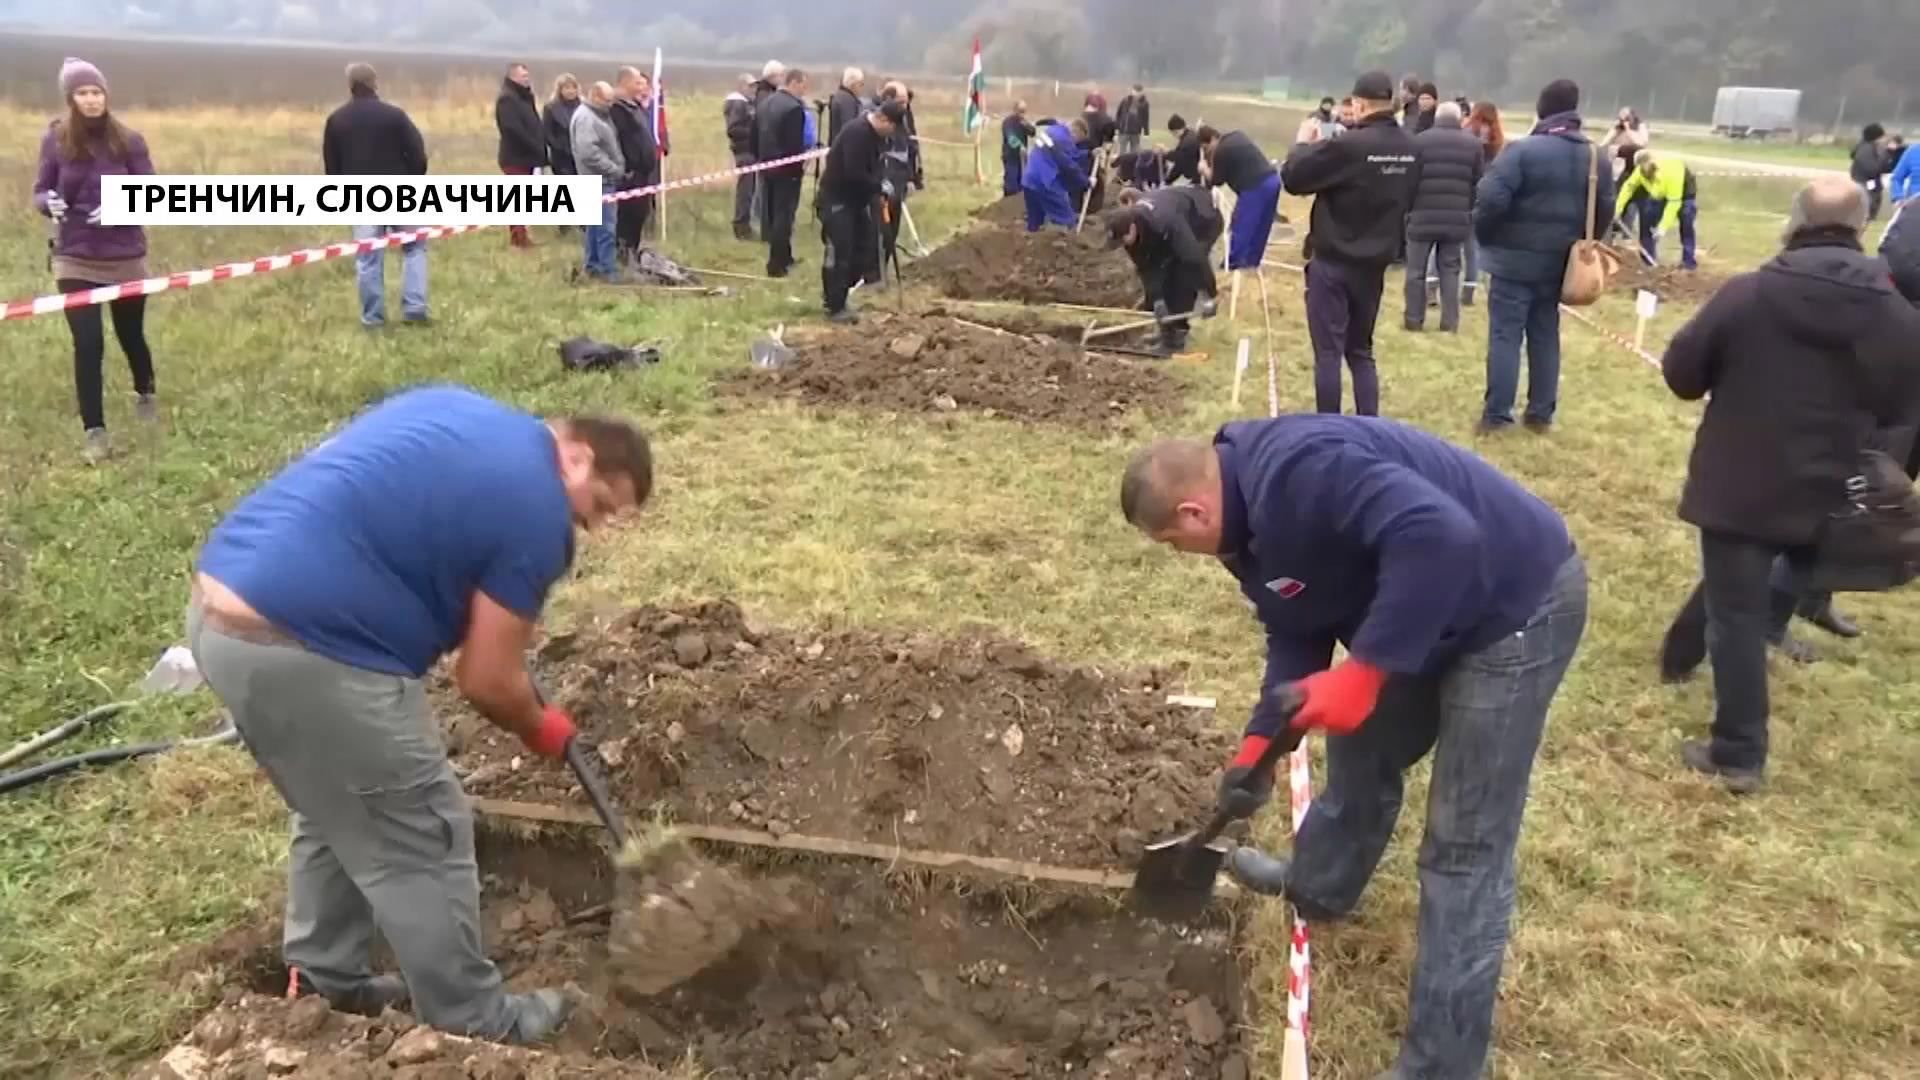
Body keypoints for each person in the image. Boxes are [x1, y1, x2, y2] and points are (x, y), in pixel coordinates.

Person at [1117, 416, 1587, 1080]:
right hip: (1424, 606)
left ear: (1193, 512)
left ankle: (1443, 1068)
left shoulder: (1302, 473)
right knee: (1360, 744)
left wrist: (1365, 673)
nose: (1177, 554)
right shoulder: (1243, 533)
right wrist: (1260, 745)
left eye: (1171, 543)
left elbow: (1443, 537)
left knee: (1463, 847)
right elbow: (1294, 625)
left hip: (1512, 607)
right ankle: (1321, 885)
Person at [185, 383, 651, 1044]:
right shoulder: (540, 510)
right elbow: (486, 680)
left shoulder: (462, 411)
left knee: (336, 803)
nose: (590, 525)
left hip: (220, 618)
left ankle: (324, 980)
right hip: (309, 649)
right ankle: (475, 1019)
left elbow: (411, 527)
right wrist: (539, 724)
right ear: (576, 457)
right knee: (424, 828)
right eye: (599, 506)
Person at [1653, 178, 1920, 792]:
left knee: (1737, 610)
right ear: (1861, 227)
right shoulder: (1896, 313)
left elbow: (1682, 373)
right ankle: (1680, 658)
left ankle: (1739, 752)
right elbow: (1905, 399)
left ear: (1796, 220)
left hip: (1742, 479)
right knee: (1748, 586)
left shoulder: (1748, 294)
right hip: (1836, 487)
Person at [32, 57, 158, 465]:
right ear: (70, 98)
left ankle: (145, 391)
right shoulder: (55, 140)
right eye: (82, 93)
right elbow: (41, 189)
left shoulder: (129, 141)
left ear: (106, 95)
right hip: (74, 257)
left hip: (123, 256)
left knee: (130, 335)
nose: (90, 99)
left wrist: (124, 207)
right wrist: (45, 203)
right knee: (88, 344)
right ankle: (95, 431)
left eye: (96, 92)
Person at [1474, 78, 1613, 434]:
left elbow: (1490, 199)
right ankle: (1540, 413)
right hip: (1560, 264)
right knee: (1545, 334)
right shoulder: (1597, 157)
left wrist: (1487, 237)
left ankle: (1498, 415)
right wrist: (1584, 246)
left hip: (1513, 262)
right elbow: (1605, 210)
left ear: (1542, 108)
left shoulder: (1522, 151)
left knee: (1506, 336)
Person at [1281, 71, 1418, 416]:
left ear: (1358, 103)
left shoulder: (1349, 146)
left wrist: (1302, 143)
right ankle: (1369, 425)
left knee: (1328, 353)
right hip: (1374, 264)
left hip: (1333, 261)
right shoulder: (1410, 148)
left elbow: (1294, 179)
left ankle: (1330, 425)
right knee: (1361, 351)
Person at [322, 62, 429, 329]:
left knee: (368, 258)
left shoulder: (337, 120)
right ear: (375, 83)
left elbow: (331, 166)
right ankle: (414, 308)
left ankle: (373, 318)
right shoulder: (395, 116)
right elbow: (417, 154)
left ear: (350, 85)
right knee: (414, 248)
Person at [1104, 186, 1221, 355]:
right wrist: (1157, 299)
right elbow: (1146, 267)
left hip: (1203, 220)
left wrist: (1209, 295)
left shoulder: (1164, 221)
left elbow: (1194, 258)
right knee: (1162, 276)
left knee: (1180, 275)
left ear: (1132, 229)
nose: (1123, 245)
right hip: (1176, 220)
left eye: (1123, 240)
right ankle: (1167, 331)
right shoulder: (1130, 232)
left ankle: (1177, 339)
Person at [1403, 101, 1485, 334]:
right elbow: (1477, 182)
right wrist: (1467, 209)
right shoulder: (1473, 145)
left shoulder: (1419, 142)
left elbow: (1410, 180)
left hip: (1421, 215)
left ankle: (1414, 319)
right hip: (1456, 217)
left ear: (1437, 118)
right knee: (1450, 269)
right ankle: (1450, 322)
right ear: (1459, 119)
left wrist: (1409, 209)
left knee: (1416, 271)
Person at [817, 100, 901, 323]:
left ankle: (841, 294)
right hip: (837, 200)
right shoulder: (857, 133)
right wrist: (877, 186)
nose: (892, 133)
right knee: (840, 253)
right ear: (883, 119)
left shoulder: (875, 137)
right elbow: (854, 172)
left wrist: (881, 182)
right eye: (892, 127)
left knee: (862, 250)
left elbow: (871, 168)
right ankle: (834, 306)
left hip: (856, 201)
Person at [1198, 125, 1281, 274]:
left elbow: (1217, 180)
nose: (1208, 152)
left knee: (1243, 226)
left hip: (1255, 187)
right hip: (1273, 180)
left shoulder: (1221, 150)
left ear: (1211, 140)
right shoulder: (1237, 135)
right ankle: (1252, 262)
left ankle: (1234, 265)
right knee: (1261, 226)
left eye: (1206, 148)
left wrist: (1204, 169)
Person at [756, 67, 810, 278]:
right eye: (804, 85)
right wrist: (799, 167)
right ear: (794, 83)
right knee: (783, 216)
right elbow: (793, 145)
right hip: (787, 170)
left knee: (771, 213)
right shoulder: (793, 108)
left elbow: (755, 134)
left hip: (766, 165)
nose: (805, 91)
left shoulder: (765, 103)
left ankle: (785, 256)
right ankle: (776, 264)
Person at [568, 80, 625, 283]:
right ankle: (608, 270)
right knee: (606, 228)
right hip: (598, 180)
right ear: (595, 97)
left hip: (600, 180)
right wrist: (614, 169)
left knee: (595, 226)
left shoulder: (597, 115)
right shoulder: (586, 118)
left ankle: (592, 265)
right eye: (607, 100)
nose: (610, 105)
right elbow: (588, 152)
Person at [1616, 149, 1698, 269]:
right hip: (1658, 194)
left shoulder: (1671, 172)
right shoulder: (1640, 170)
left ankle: (1688, 263)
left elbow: (1674, 202)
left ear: (1653, 165)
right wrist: (1617, 209)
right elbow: (1629, 187)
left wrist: (1662, 228)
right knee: (1647, 220)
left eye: (1646, 170)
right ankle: (1648, 261)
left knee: (1686, 221)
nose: (1643, 172)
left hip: (1684, 195)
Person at [609, 67, 658, 266]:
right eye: (637, 83)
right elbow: (619, 141)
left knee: (640, 215)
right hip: (629, 174)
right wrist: (626, 168)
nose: (642, 87)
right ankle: (622, 256)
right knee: (627, 218)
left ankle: (632, 254)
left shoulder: (634, 106)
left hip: (643, 173)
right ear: (625, 83)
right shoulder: (616, 108)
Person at [493, 62, 545, 250]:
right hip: (515, 158)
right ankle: (518, 240)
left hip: (529, 158)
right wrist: (533, 146)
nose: (527, 78)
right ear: (512, 77)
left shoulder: (525, 97)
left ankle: (524, 235)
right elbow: (512, 129)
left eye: (527, 75)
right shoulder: (507, 99)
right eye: (523, 76)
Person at [1460, 102, 1507, 306]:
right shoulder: (1497, 138)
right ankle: (1470, 289)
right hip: (1483, 193)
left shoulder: (1468, 133)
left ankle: (1434, 287)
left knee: (1448, 246)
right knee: (1473, 247)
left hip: (1463, 191)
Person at [1021, 116, 1091, 232]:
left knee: (1035, 223)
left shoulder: (1052, 131)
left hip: (1029, 180)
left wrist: (1088, 154)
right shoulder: (1064, 140)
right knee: (1066, 217)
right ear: (1076, 132)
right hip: (1045, 183)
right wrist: (1087, 182)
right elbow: (1069, 166)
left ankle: (1032, 246)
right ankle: (1066, 245)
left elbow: (1068, 154)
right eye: (1078, 140)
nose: (1075, 143)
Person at [748, 61, 785, 239]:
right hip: (766, 151)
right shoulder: (765, 96)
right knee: (763, 192)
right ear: (772, 76)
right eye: (780, 75)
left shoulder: (767, 93)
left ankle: (763, 225)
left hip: (765, 150)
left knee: (763, 190)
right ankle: (762, 227)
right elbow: (763, 125)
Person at [541, 75, 581, 235]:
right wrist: (562, 148)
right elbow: (547, 133)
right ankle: (564, 225)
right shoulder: (551, 108)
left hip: (580, 155)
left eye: (573, 87)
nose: (570, 91)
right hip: (561, 156)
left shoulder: (583, 106)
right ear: (560, 90)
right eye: (566, 88)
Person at [724, 74, 757, 240]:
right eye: (750, 86)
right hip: (744, 151)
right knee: (745, 191)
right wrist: (754, 133)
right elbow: (733, 129)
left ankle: (745, 225)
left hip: (749, 151)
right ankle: (741, 227)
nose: (753, 89)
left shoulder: (746, 103)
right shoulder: (738, 103)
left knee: (749, 190)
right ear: (741, 86)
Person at [1852, 124, 1892, 221]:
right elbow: (1871, 169)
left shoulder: (1872, 147)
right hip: (1866, 182)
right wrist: (1884, 158)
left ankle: (1868, 217)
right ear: (1876, 137)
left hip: (1870, 182)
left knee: (1873, 200)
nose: (1884, 139)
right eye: (1882, 136)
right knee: (1868, 202)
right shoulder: (1866, 149)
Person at [1001, 100, 1036, 196]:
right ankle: (1007, 203)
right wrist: (1020, 146)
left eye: (1024, 111)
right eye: (1020, 110)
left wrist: (1027, 125)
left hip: (1022, 158)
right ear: (1015, 110)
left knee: (1022, 183)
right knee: (1011, 184)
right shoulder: (1008, 122)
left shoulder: (1023, 122)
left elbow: (1033, 133)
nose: (1022, 113)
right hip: (1010, 157)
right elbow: (1010, 137)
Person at [827, 67, 867, 147]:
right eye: (861, 84)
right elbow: (849, 128)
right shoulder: (847, 101)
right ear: (853, 84)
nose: (862, 87)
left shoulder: (841, 96)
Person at [1165, 114, 1202, 185]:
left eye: (1173, 133)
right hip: (1197, 174)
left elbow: (1179, 164)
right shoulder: (1190, 134)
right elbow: (1178, 156)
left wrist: (1167, 181)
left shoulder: (1186, 144)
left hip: (1197, 177)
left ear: (1175, 131)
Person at [1116, 83, 1151, 156]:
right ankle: (1121, 166)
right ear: (1132, 91)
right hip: (1124, 130)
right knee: (1121, 152)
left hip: (1136, 132)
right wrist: (1116, 128)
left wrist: (1146, 132)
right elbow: (1118, 114)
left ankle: (1132, 166)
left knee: (1134, 152)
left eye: (1138, 92)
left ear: (1142, 92)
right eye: (1135, 91)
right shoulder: (1125, 100)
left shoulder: (1145, 103)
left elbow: (1146, 118)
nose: (1136, 93)